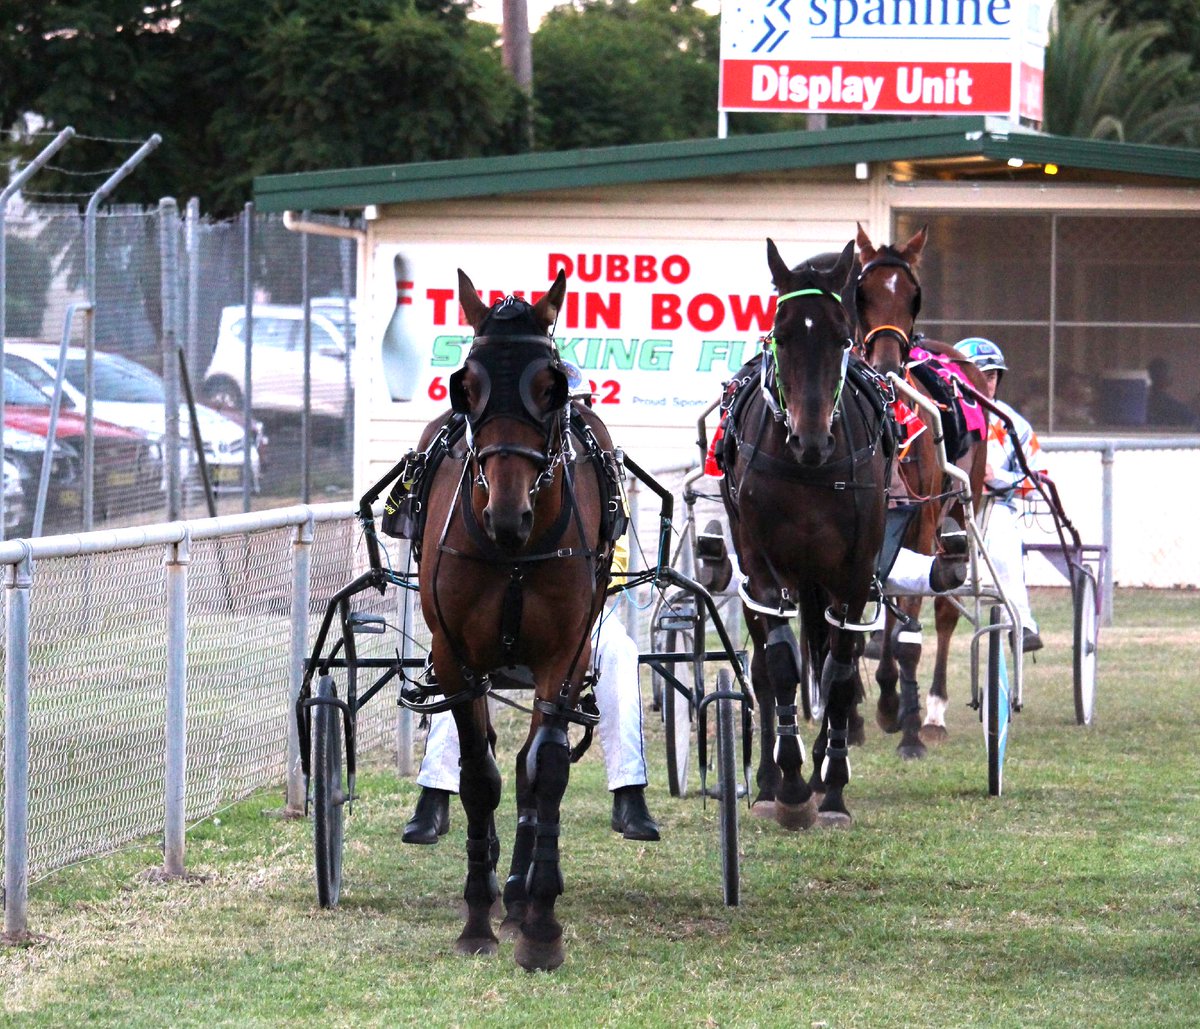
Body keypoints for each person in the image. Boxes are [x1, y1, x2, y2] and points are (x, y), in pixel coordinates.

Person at [402, 531, 660, 845]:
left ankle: (629, 791)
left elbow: (612, 546)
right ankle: (435, 792)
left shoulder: (595, 484)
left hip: (570, 607)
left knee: (621, 651)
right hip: (490, 605)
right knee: (452, 655)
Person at [954, 337, 1046, 653]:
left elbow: (1039, 483)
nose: (985, 383)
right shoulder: (935, 415)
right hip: (942, 512)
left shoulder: (1013, 426)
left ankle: (1023, 625)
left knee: (1006, 547)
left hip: (993, 510)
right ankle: (886, 627)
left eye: (991, 375)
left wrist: (997, 477)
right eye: (977, 374)